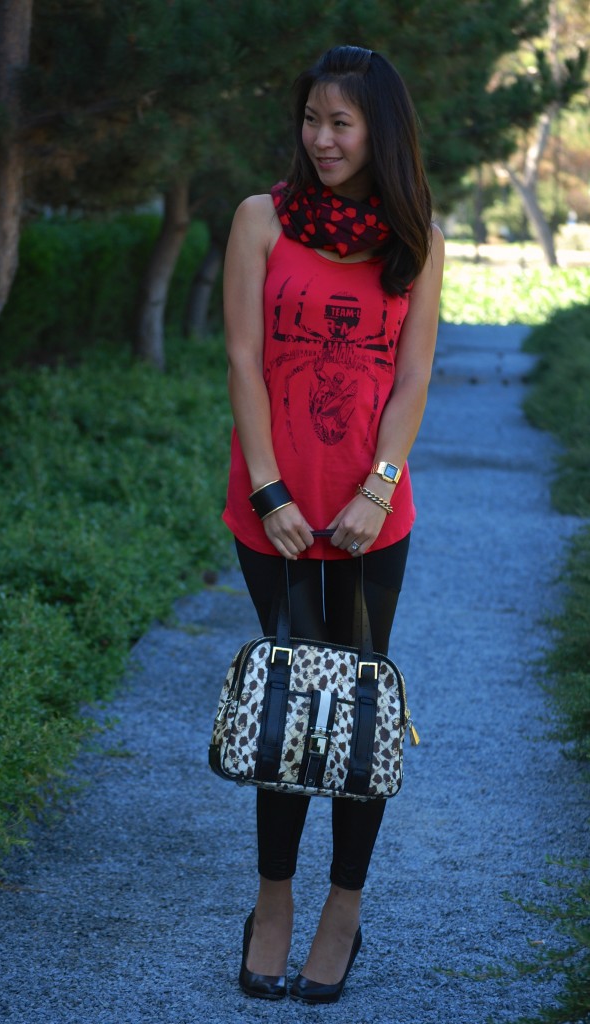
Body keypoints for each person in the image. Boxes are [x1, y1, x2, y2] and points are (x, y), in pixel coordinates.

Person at [221, 44, 444, 1004]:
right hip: (269, 503)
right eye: (311, 119)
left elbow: (412, 381)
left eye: (340, 123)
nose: (320, 138)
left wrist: (374, 488)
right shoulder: (258, 220)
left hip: (367, 516)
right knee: (286, 708)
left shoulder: (414, 236)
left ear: (378, 131)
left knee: (354, 717)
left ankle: (340, 912)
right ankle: (272, 901)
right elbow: (238, 358)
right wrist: (270, 491)